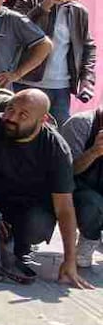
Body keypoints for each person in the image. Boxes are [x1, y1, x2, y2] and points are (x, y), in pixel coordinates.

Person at [0, 89, 89, 287]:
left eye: (23, 115)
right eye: (10, 109)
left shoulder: (56, 149)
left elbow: (64, 208)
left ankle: (16, 243)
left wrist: (69, 261)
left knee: (36, 226)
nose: (11, 117)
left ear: (42, 120)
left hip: (28, 205)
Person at [13, 0, 96, 125]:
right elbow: (16, 32)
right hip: (25, 81)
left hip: (61, 86)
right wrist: (43, 7)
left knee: (58, 134)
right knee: (20, 130)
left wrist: (87, 79)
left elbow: (88, 47)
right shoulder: (28, 1)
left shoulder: (79, 11)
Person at [59, 105, 103, 268]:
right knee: (92, 204)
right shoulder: (80, 124)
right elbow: (65, 173)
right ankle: (89, 237)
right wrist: (94, 152)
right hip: (79, 189)